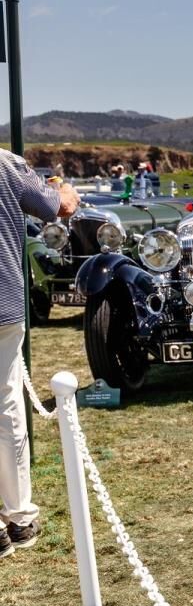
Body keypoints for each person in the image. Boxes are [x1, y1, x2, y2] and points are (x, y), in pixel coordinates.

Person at [0, 150, 79, 559]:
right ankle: (18, 517)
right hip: (3, 306)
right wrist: (63, 188)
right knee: (6, 409)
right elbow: (57, 207)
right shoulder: (4, 164)